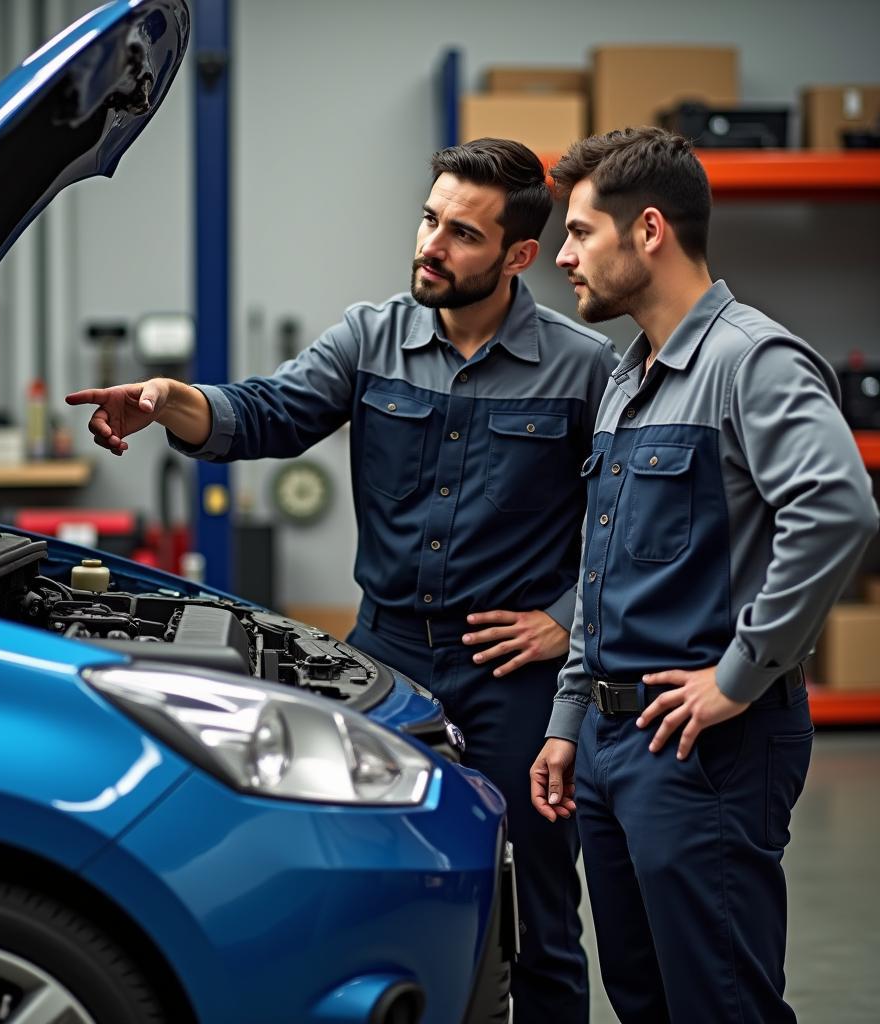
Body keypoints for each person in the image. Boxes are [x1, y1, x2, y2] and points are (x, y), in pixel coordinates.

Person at [67, 137, 617, 1021]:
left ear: (519, 255)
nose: (431, 246)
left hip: (517, 681)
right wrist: (172, 399)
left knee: (539, 914)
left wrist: (565, 620)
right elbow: (267, 414)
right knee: (367, 887)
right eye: (430, 219)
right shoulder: (371, 337)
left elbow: (624, 524)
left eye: (462, 235)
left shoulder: (585, 368)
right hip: (385, 663)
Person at [529, 126, 879, 1023]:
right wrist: (569, 721)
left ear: (649, 230)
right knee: (644, 1000)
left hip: (703, 748)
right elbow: (604, 569)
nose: (561, 256)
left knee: (720, 1004)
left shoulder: (751, 360)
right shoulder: (627, 377)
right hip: (609, 747)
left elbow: (837, 509)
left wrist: (740, 676)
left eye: (579, 232)